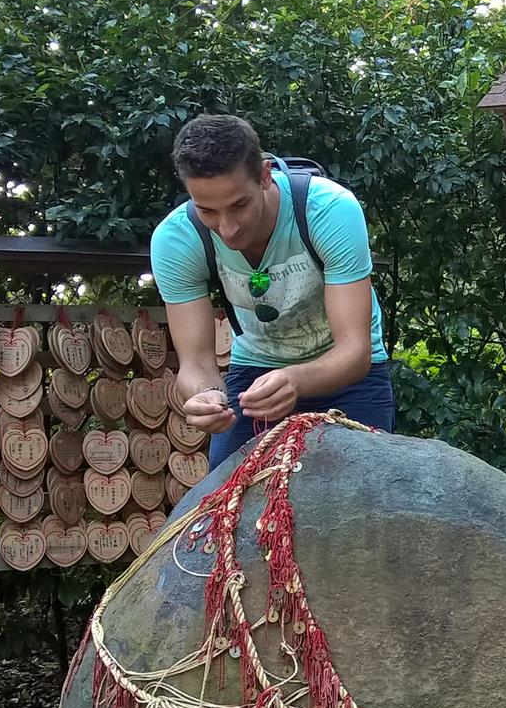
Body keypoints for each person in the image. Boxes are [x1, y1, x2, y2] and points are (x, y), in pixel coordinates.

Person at [150, 114, 393, 468]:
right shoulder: (176, 240)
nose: (227, 229)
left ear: (265, 176)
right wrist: (207, 397)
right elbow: (196, 363)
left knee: (364, 506)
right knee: (222, 508)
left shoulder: (329, 211)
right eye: (207, 211)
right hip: (254, 376)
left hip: (351, 379)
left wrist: (295, 378)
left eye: (239, 205)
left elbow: (355, 351)